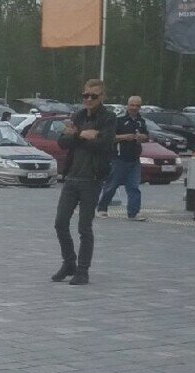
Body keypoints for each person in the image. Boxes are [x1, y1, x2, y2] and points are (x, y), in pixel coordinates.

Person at [52, 79, 116, 285]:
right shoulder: (78, 116)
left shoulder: (108, 118)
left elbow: (102, 145)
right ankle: (69, 262)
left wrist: (77, 136)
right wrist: (82, 134)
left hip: (92, 179)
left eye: (93, 96)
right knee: (60, 222)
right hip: (71, 177)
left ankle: (83, 270)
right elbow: (62, 142)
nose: (88, 99)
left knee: (84, 227)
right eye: (85, 95)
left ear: (102, 97)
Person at [97, 96, 149, 221]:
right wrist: (124, 137)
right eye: (132, 105)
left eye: (137, 106)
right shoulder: (119, 120)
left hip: (134, 159)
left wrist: (143, 137)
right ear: (128, 105)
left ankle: (133, 213)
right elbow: (110, 137)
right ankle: (102, 208)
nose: (134, 108)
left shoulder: (141, 121)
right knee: (112, 185)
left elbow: (147, 137)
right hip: (119, 159)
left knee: (134, 187)